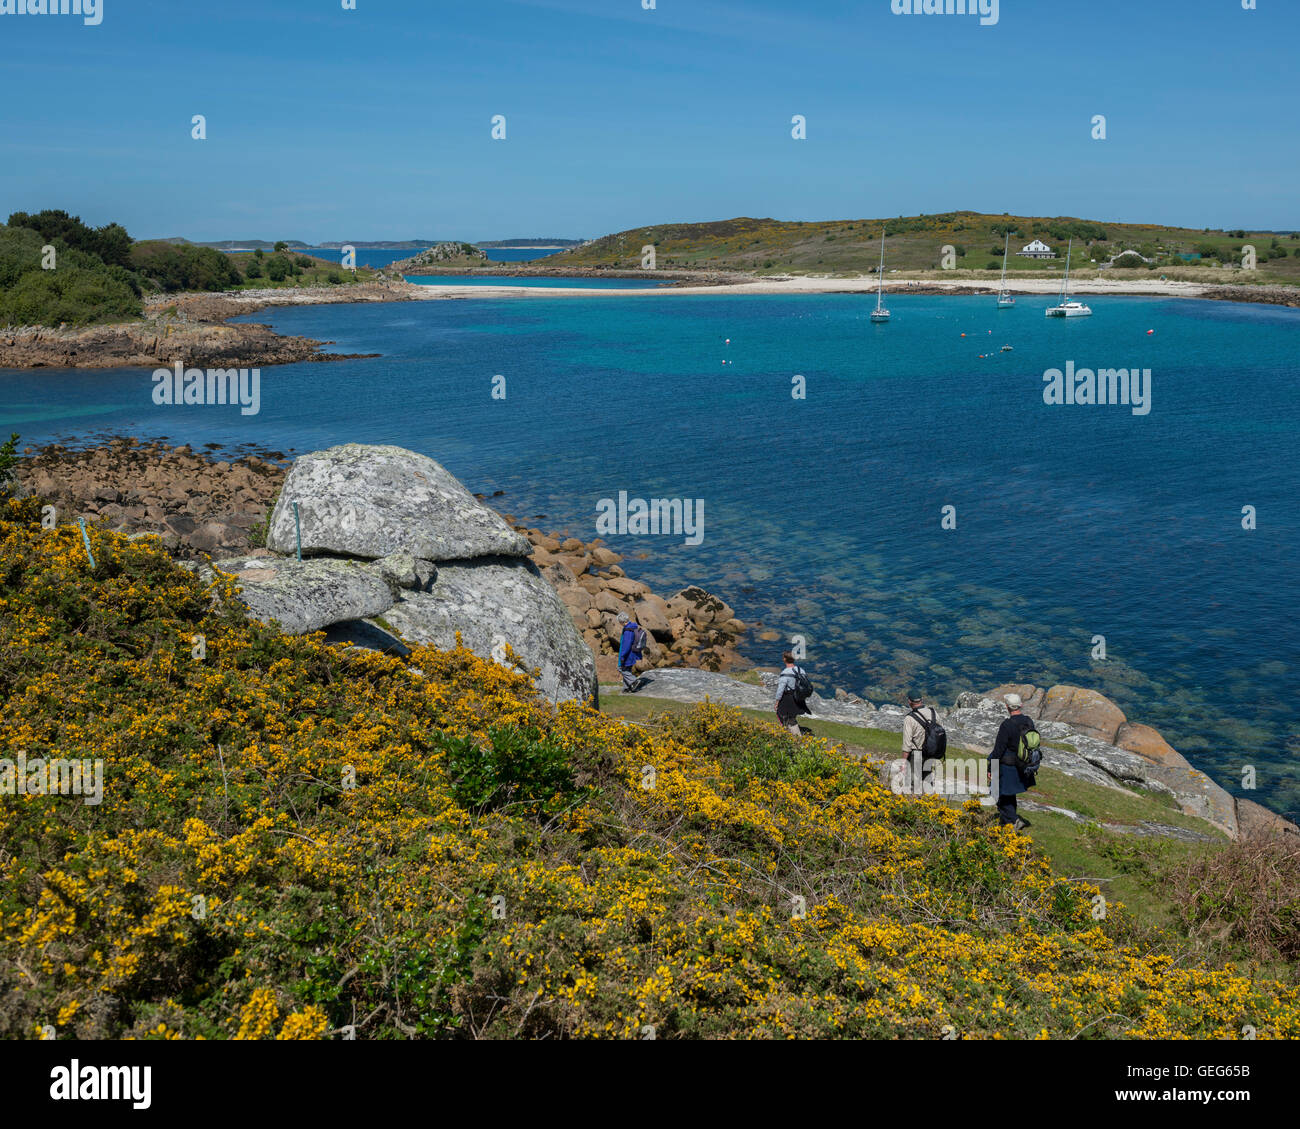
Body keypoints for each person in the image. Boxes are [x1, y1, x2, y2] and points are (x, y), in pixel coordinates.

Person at [988, 692, 1035, 829]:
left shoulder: (1007, 725)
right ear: (1021, 705)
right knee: (1009, 793)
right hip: (1023, 763)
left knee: (999, 792)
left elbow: (998, 750)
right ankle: (1008, 821)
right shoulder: (1028, 721)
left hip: (1007, 765)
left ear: (1007, 707)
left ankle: (1013, 820)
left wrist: (991, 768)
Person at [901, 691, 937, 793]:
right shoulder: (933, 713)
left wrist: (903, 763)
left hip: (916, 753)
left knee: (913, 782)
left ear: (909, 701)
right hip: (931, 752)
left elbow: (907, 744)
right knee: (927, 778)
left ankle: (915, 803)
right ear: (922, 700)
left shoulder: (909, 718)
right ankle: (930, 801)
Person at [774, 651, 811, 736]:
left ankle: (795, 736)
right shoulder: (801, 670)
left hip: (789, 697)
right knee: (792, 715)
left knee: (781, 713)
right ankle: (789, 732)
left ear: (784, 659)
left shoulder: (785, 673)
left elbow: (780, 689)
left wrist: (777, 702)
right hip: (799, 696)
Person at [617, 612, 648, 693]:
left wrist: (622, 656)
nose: (619, 624)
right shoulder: (632, 626)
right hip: (632, 653)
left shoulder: (628, 631)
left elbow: (626, 645)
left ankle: (634, 681)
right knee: (627, 669)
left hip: (628, 654)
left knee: (621, 669)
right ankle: (627, 688)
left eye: (619, 622)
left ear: (622, 622)